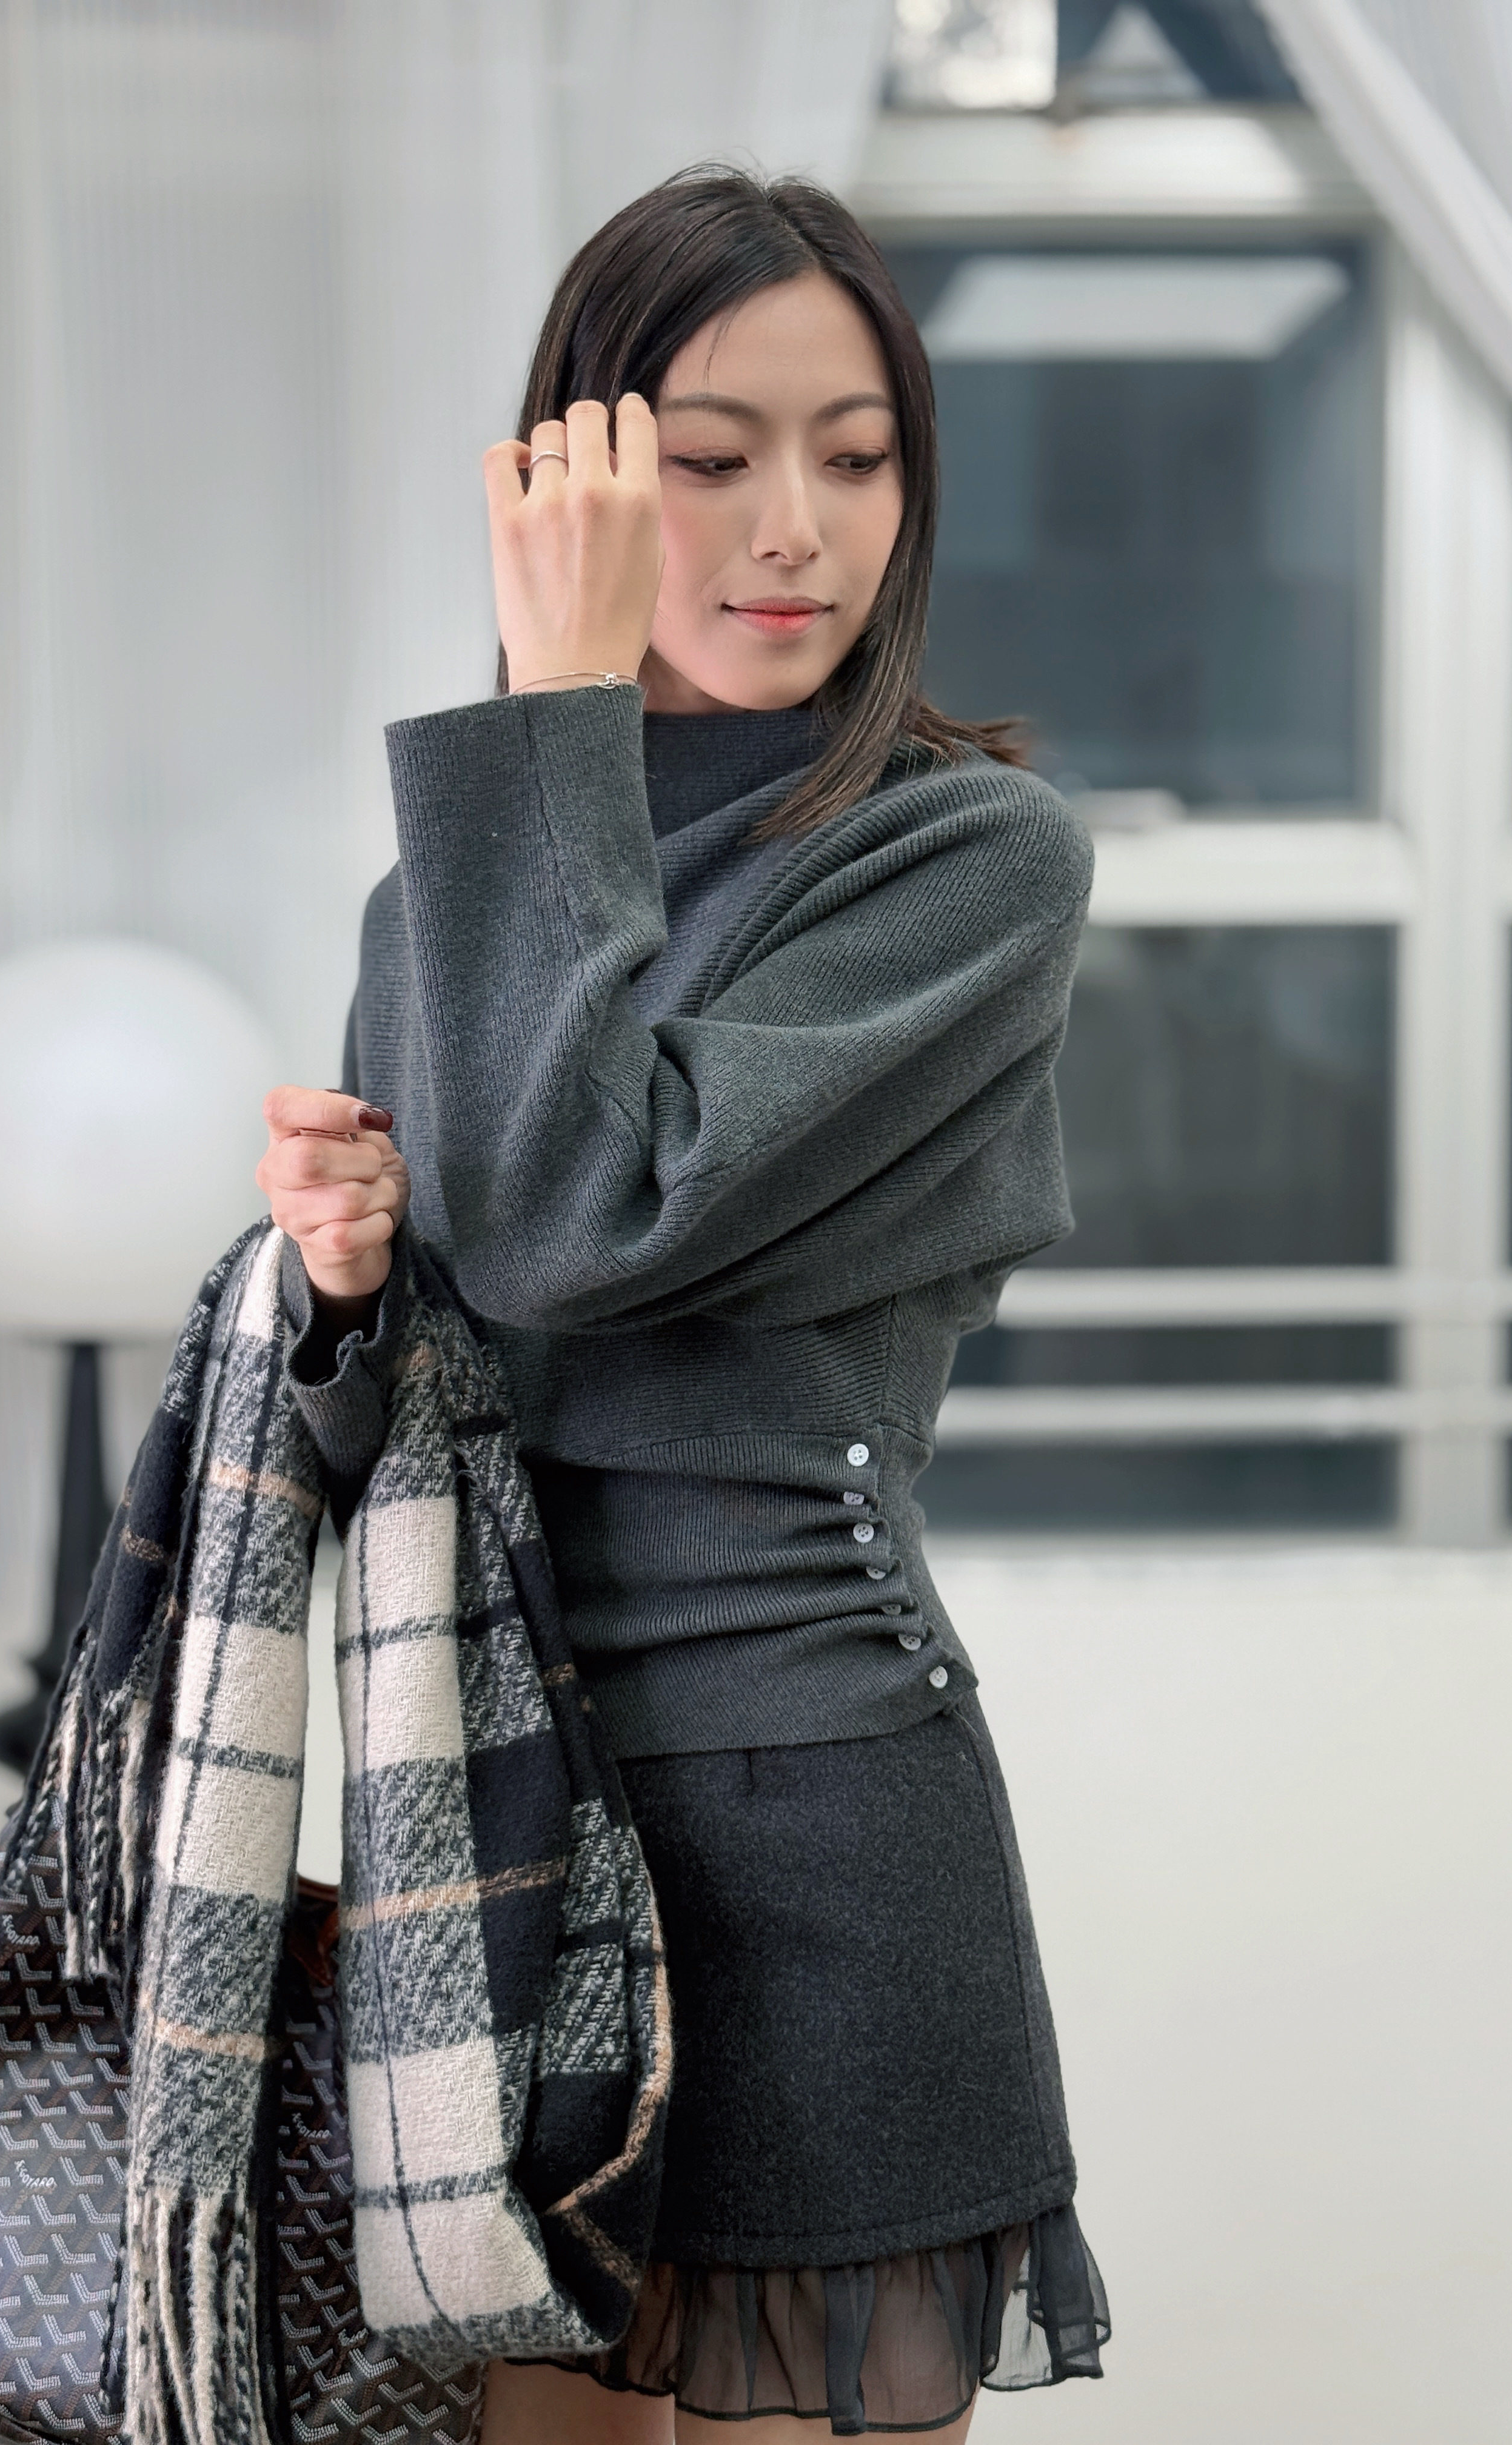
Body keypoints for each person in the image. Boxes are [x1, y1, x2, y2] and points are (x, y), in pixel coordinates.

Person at [256, 166, 1108, 2444]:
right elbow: (399, 1436)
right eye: (715, 457)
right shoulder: (450, 887)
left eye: (861, 454)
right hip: (492, 1825)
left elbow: (577, 1226)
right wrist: (344, 1290)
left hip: (813, 1821)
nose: (797, 528)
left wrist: (550, 697)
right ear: (575, 486)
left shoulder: (963, 860)